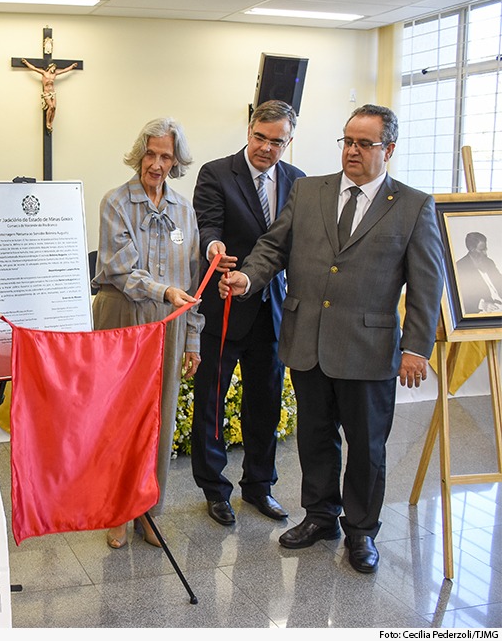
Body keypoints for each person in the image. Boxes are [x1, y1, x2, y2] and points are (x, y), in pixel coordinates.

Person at [220, 104, 444, 574]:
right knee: (316, 439)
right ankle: (321, 516)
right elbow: (273, 247)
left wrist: (415, 348)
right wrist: (247, 279)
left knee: (366, 448)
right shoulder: (307, 190)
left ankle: (362, 532)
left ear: (389, 150)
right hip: (309, 341)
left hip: (369, 349)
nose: (353, 151)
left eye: (365, 144)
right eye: (347, 141)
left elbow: (427, 284)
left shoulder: (413, 206)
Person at [190, 100, 306, 526]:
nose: (266, 148)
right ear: (249, 129)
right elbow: (209, 225)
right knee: (210, 402)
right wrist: (212, 248)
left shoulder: (298, 182)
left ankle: (260, 486)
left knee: (265, 402)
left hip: (273, 309)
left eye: (277, 142)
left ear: (289, 142)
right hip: (224, 304)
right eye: (260, 137)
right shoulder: (217, 173)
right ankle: (214, 489)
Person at [91, 117, 204, 549]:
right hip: (122, 316)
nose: (157, 164)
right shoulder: (116, 202)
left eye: (166, 156)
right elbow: (120, 269)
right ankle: (116, 510)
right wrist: (164, 291)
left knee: (161, 417)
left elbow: (191, 281)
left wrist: (191, 338)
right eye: (151, 154)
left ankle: (149, 511)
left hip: (168, 322)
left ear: (176, 162)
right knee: (119, 417)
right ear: (140, 154)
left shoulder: (183, 210)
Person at [20, 59, 78, 132]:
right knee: (50, 106)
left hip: (53, 93)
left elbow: (64, 70)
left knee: (54, 108)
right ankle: (47, 122)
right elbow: (34, 68)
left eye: (55, 68)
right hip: (46, 93)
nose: (54, 69)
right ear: (50, 67)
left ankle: (51, 123)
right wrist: (26, 63)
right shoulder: (44, 73)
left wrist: (72, 66)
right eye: (53, 67)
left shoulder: (54, 74)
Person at [455, 231, 502, 314]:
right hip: (485, 311)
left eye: (485, 249)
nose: (485, 253)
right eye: (481, 250)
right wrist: (482, 305)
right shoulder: (460, 267)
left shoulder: (489, 262)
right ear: (472, 249)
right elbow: (460, 297)